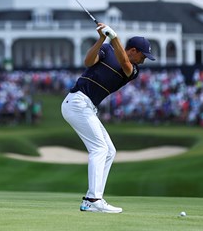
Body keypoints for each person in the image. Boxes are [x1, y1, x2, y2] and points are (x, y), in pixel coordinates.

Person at [61, 22, 156, 213]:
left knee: (109, 151)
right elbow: (88, 62)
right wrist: (102, 39)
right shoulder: (106, 49)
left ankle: (92, 198)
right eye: (143, 55)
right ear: (134, 50)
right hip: (78, 102)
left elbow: (125, 65)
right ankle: (94, 199)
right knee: (99, 148)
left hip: (86, 107)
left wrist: (114, 38)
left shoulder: (133, 69)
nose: (144, 60)